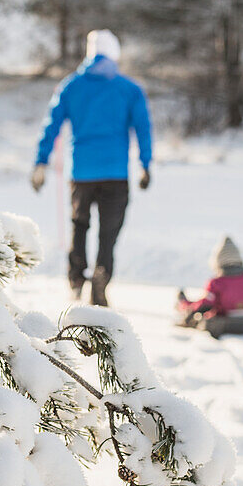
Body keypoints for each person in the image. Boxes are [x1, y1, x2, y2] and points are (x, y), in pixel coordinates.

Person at [31, 30, 152, 306]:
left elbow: (51, 125)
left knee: (79, 225)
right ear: (115, 54)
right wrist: (145, 164)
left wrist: (41, 162)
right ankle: (101, 277)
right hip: (116, 173)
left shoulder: (71, 86)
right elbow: (143, 128)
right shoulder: (129, 89)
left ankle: (76, 279)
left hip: (82, 173)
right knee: (108, 232)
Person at [176, 236, 243, 339]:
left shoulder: (217, 283)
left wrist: (188, 316)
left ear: (218, 261)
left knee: (197, 312)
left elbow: (205, 305)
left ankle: (183, 303)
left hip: (222, 325)